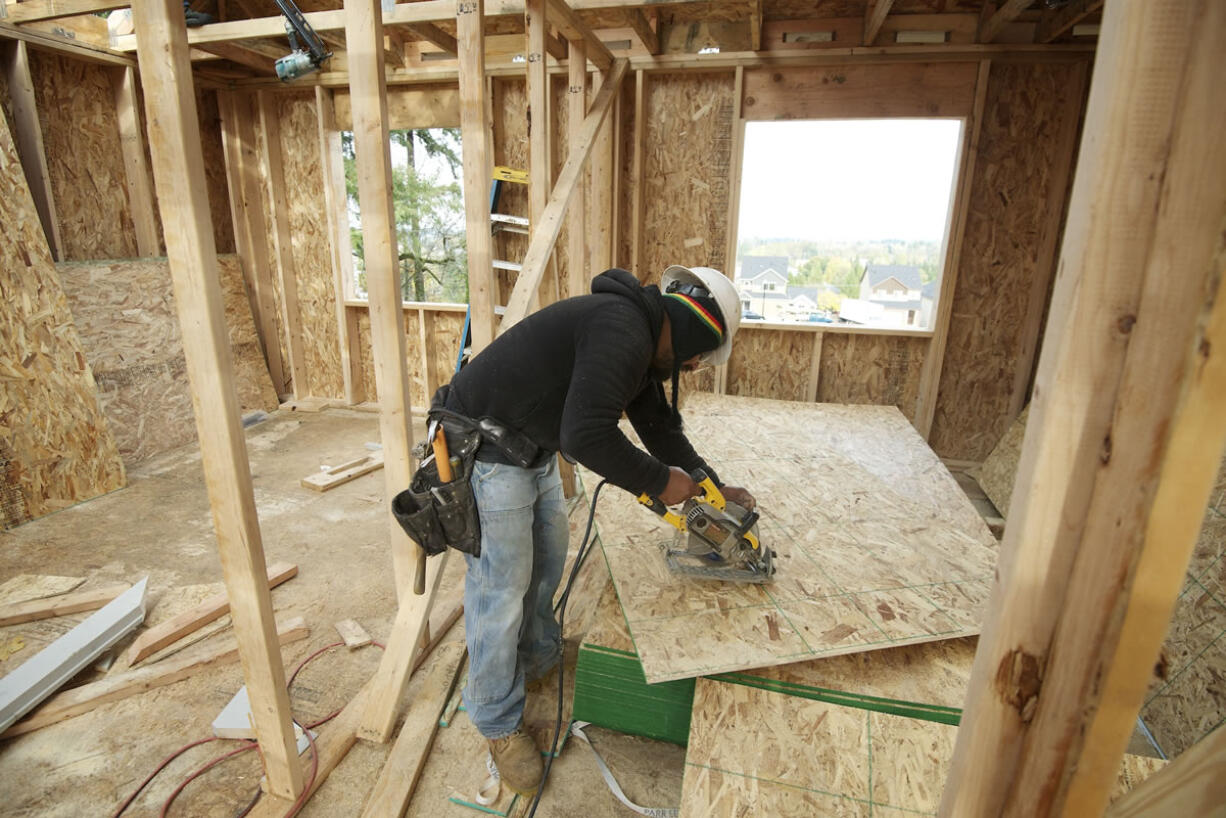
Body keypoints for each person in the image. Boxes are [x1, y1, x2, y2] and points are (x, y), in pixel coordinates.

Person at [436, 264, 756, 795]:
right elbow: (585, 435)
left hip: (528, 446)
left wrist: (711, 488)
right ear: (695, 331)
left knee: (550, 556)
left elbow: (658, 428)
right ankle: (496, 721)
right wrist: (657, 482)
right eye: (698, 357)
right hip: (484, 447)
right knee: (501, 586)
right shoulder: (623, 330)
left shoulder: (640, 342)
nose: (695, 366)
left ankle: (538, 656)